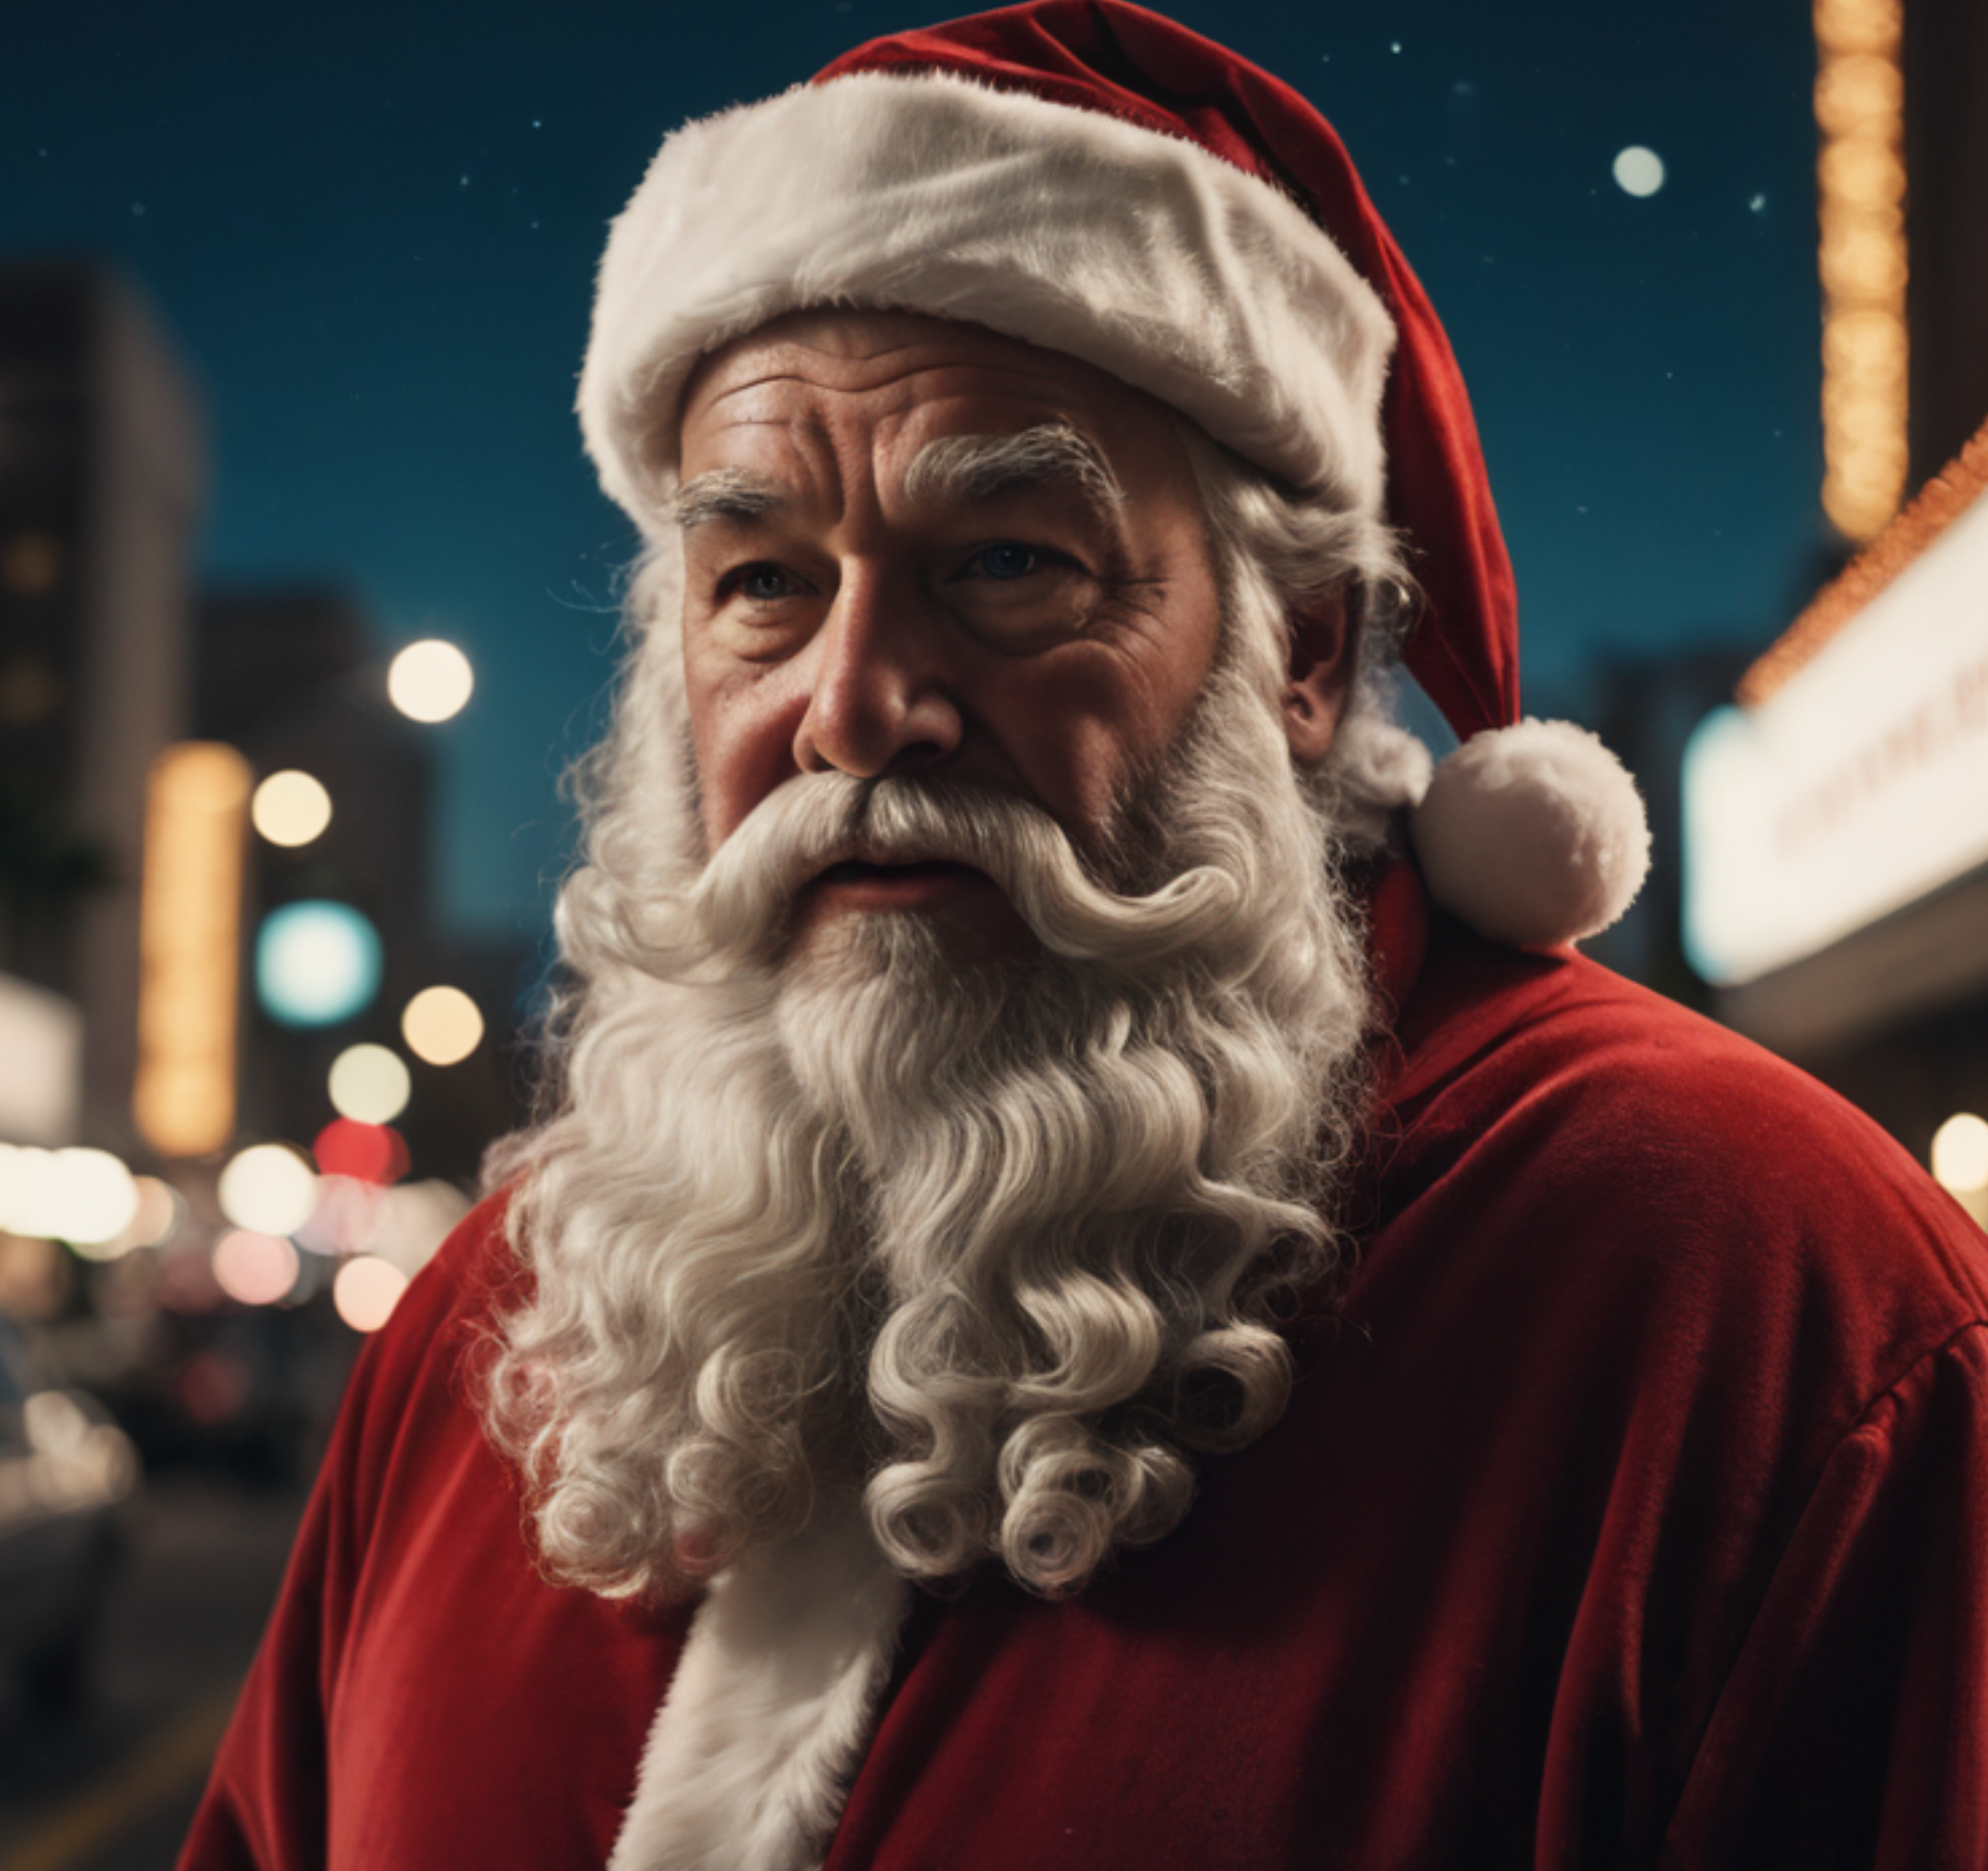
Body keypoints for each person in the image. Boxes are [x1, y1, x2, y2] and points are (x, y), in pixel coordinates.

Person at [180, 5, 1988, 1867]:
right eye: (761, 587)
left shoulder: (1757, 1303)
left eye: (1005, 563)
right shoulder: (498, 1317)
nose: (854, 703)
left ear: (1293, 653)